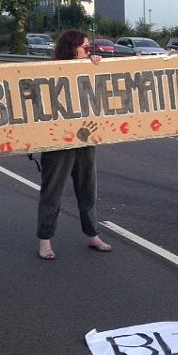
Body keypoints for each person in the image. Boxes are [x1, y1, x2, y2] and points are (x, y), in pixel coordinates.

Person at [35, 29, 113, 259]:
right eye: (85, 47)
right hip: (57, 142)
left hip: (84, 138)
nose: (89, 51)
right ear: (72, 47)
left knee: (88, 189)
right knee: (53, 192)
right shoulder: (50, 71)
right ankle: (45, 241)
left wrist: (95, 65)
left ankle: (92, 234)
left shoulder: (89, 67)